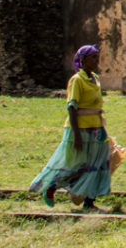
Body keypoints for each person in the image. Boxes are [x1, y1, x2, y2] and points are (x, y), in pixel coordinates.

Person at [29, 44, 111, 211]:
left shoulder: (94, 78)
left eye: (97, 56)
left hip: (96, 127)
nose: (97, 60)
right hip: (79, 128)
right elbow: (72, 107)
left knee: (97, 164)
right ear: (84, 60)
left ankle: (89, 202)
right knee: (76, 164)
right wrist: (77, 135)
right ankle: (52, 186)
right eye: (93, 57)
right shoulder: (77, 80)